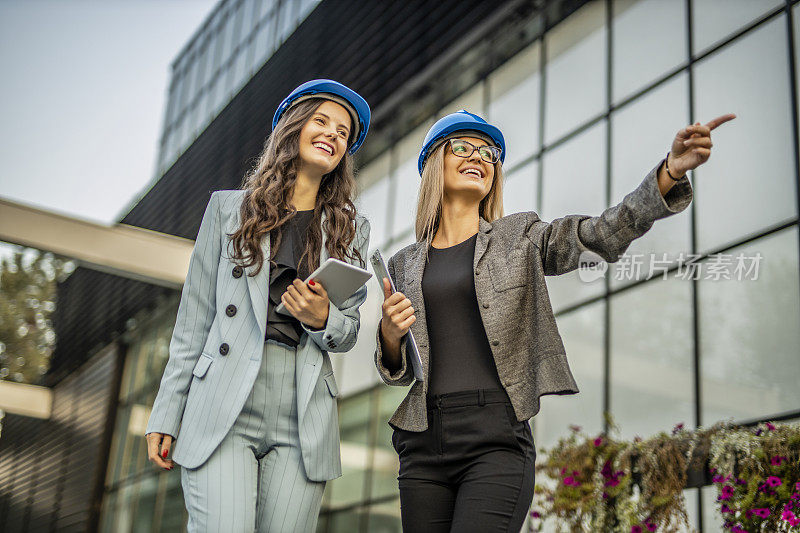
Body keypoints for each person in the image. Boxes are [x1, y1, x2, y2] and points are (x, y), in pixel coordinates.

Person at [374, 109, 735, 532]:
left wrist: (668, 173)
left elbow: (599, 234)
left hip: (495, 440)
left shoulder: (521, 237)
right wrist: (390, 333)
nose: (479, 157)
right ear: (435, 162)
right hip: (421, 442)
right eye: (463, 147)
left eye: (489, 152)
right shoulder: (403, 264)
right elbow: (397, 372)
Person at [144, 79, 372, 532]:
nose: (333, 134)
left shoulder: (351, 230)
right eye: (321, 121)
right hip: (224, 397)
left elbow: (348, 332)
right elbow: (193, 322)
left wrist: (322, 317)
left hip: (303, 410)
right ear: (293, 127)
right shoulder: (228, 211)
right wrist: (167, 410)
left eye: (343, 132)